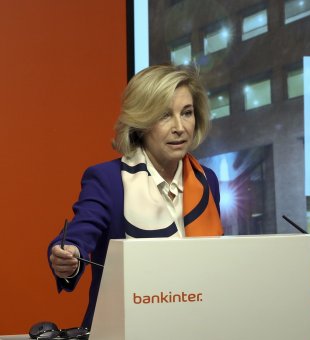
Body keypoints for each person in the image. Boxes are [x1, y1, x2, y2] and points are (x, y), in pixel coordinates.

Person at [47, 64, 223, 329]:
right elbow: (77, 238)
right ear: (141, 122)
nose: (179, 127)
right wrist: (68, 256)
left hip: (197, 326)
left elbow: (217, 261)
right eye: (165, 116)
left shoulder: (206, 180)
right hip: (123, 327)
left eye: (186, 113)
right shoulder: (107, 179)